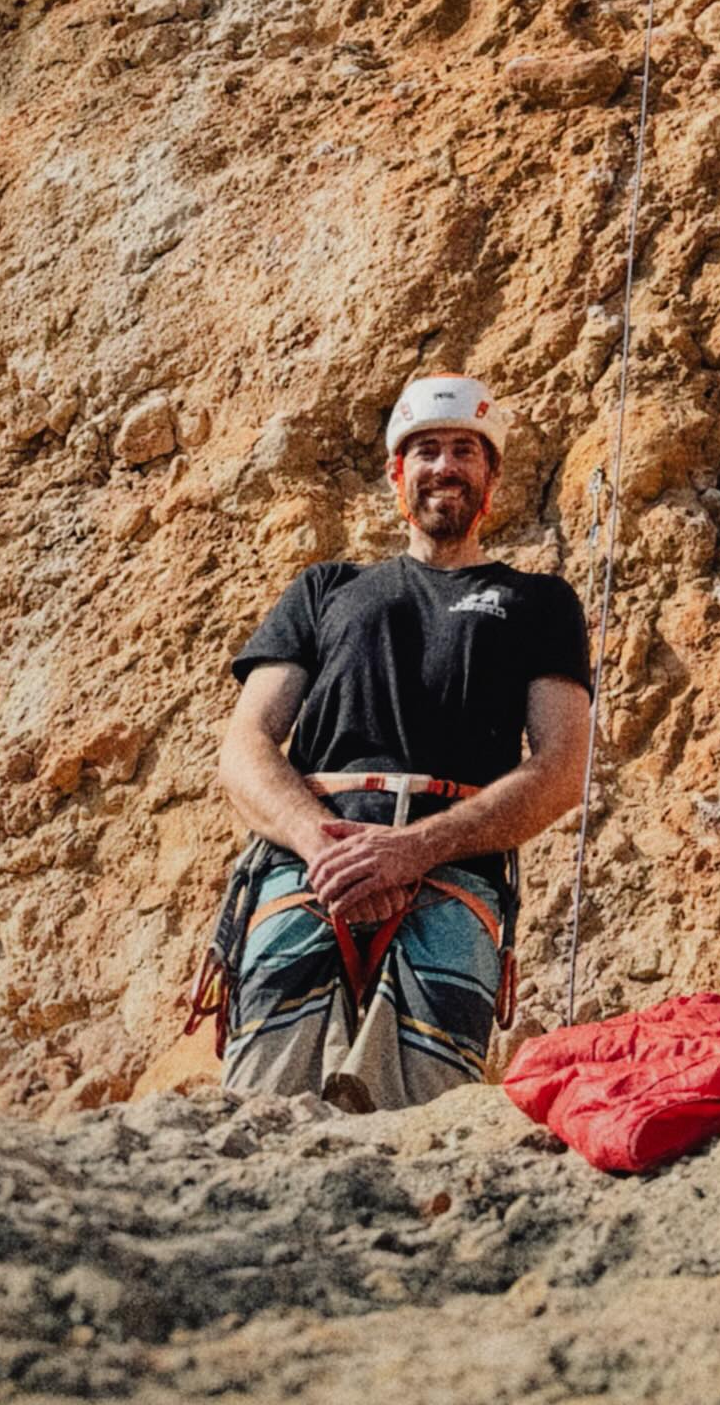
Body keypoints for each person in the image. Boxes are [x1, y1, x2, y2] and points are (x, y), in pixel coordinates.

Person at [205, 374, 592, 1112]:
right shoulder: (325, 589)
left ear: (491, 476)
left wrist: (412, 850)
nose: (443, 466)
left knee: (421, 1120)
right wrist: (326, 847)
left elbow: (561, 768)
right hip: (309, 868)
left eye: (464, 451)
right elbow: (246, 745)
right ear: (396, 473)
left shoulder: (539, 604)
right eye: (425, 450)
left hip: (452, 878)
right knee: (264, 1107)